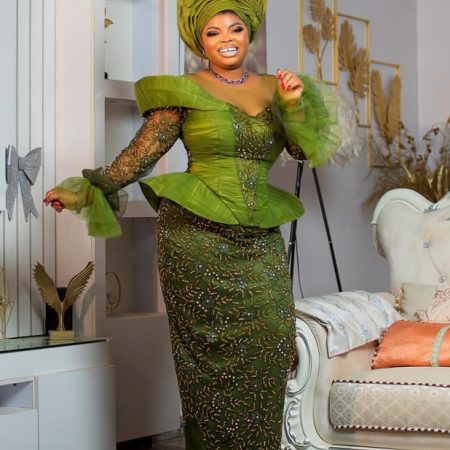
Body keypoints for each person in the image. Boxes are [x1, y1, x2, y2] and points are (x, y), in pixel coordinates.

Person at [44, 0, 341, 448]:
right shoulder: (183, 90)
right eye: (213, 32)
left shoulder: (278, 87)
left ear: (249, 33)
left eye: (235, 28)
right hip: (194, 238)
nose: (226, 39)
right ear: (199, 42)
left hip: (259, 236)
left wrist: (294, 104)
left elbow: (304, 151)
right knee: (208, 355)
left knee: (274, 339)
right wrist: (86, 189)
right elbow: (141, 154)